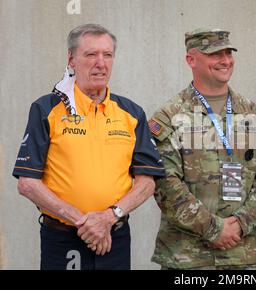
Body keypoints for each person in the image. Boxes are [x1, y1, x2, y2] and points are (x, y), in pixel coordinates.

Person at [13, 24, 165, 270]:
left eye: (107, 55)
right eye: (91, 54)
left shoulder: (132, 113)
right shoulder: (46, 109)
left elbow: (147, 180)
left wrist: (107, 218)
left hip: (115, 237)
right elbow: (27, 183)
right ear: (71, 59)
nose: (100, 63)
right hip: (62, 240)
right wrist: (87, 223)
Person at [149, 28, 256, 269]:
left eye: (229, 53)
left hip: (243, 255)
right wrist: (213, 228)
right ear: (191, 59)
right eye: (214, 54)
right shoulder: (169, 116)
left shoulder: (255, 114)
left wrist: (240, 223)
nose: (225, 61)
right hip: (187, 259)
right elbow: (165, 184)